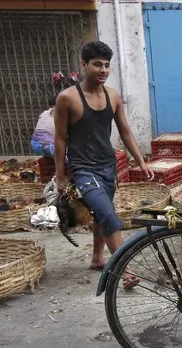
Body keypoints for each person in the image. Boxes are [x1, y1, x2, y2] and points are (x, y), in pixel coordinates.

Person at [53, 41, 154, 287]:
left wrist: (140, 161)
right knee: (108, 214)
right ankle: (125, 269)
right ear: (84, 65)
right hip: (83, 168)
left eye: (107, 65)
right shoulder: (67, 98)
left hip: (108, 166)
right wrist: (60, 177)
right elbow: (59, 139)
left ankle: (98, 258)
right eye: (97, 64)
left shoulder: (113, 95)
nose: (103, 70)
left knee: (101, 213)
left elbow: (126, 131)